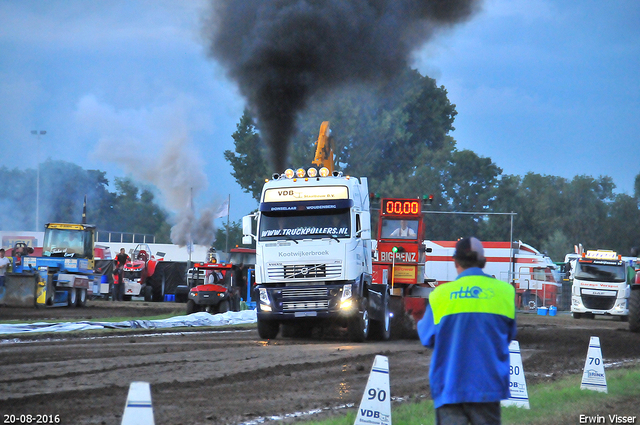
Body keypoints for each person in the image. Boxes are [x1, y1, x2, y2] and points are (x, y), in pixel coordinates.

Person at [417, 237, 516, 425]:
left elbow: (426, 338)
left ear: (455, 262)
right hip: (488, 388)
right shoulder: (505, 292)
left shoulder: (440, 295)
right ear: (483, 262)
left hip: (450, 388)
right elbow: (509, 335)